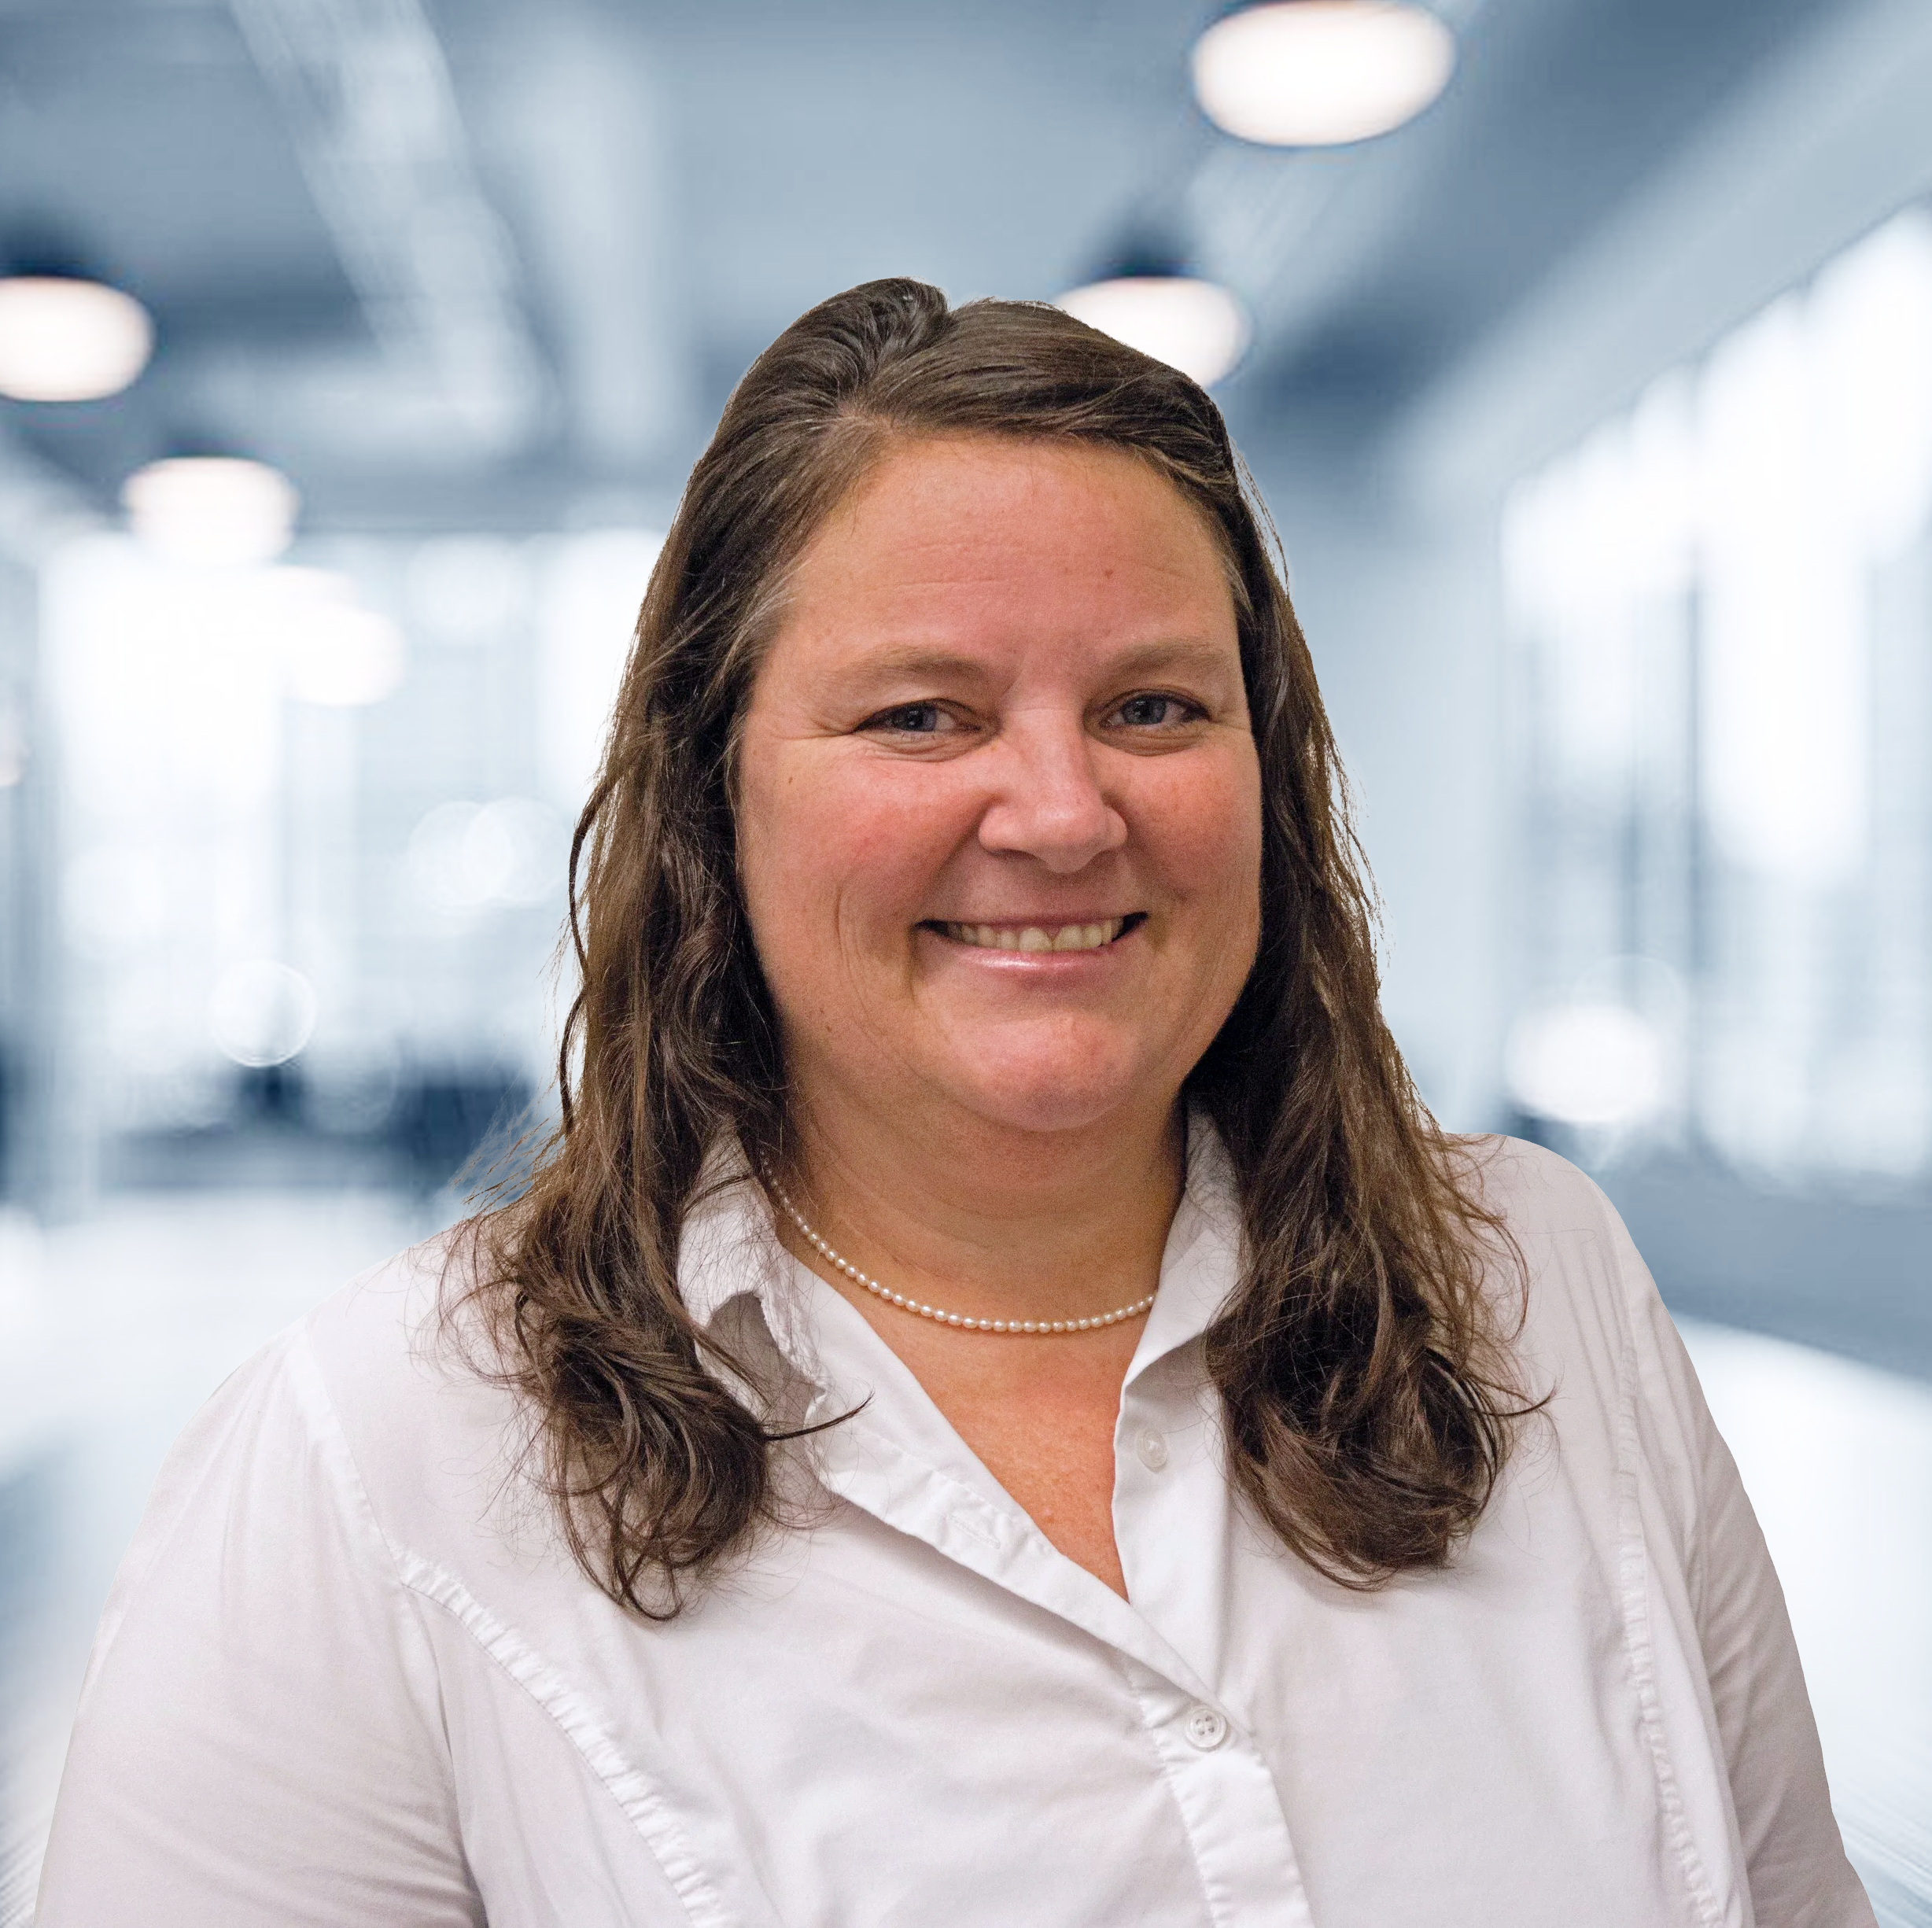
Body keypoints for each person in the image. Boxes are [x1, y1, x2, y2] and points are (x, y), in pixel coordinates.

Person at [36, 280, 1872, 1927]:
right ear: (710, 801)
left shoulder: (1534, 1284)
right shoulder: (384, 1457)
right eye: (922, 715)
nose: (1065, 813)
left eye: (1155, 706)